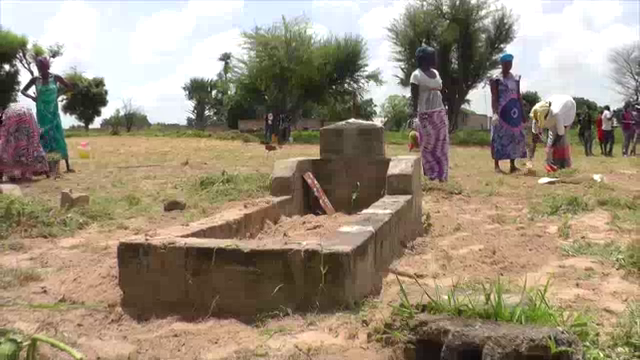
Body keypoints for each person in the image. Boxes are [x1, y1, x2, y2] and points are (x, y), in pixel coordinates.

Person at [20, 57, 74, 172]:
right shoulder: (35, 79)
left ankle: (67, 166)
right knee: (44, 138)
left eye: (42, 67)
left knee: (57, 136)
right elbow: (23, 91)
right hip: (41, 112)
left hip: (53, 112)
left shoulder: (55, 78)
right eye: (39, 67)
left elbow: (70, 87)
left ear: (47, 66)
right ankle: (47, 167)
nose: (41, 69)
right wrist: (33, 97)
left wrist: (59, 94)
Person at [410, 46, 449, 182]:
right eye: (433, 56)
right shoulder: (416, 75)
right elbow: (414, 97)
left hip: (439, 112)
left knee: (442, 144)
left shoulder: (436, 73)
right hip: (425, 114)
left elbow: (440, 92)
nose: (436, 58)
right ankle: (431, 174)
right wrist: (414, 116)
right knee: (428, 145)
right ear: (425, 58)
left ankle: (442, 175)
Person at [490, 53, 527, 174]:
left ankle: (512, 165)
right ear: (501, 64)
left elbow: (518, 96)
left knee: (514, 137)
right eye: (506, 64)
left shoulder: (515, 78)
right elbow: (494, 96)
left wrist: (523, 113)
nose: (508, 66)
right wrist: (495, 113)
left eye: (510, 63)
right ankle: (497, 166)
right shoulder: (496, 78)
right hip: (501, 113)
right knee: (498, 137)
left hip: (514, 113)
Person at [0, 104, 49, 182]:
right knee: (34, 150)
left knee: (6, 153)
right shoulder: (10, 112)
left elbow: (6, 133)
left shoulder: (7, 116)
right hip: (27, 120)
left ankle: (8, 174)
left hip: (19, 123)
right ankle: (46, 172)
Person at [530, 95, 576, 172]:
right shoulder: (536, 115)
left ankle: (565, 165)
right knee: (551, 138)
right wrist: (531, 157)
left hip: (568, 109)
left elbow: (560, 134)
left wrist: (550, 149)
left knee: (562, 140)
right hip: (557, 102)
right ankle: (552, 164)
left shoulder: (557, 115)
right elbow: (534, 137)